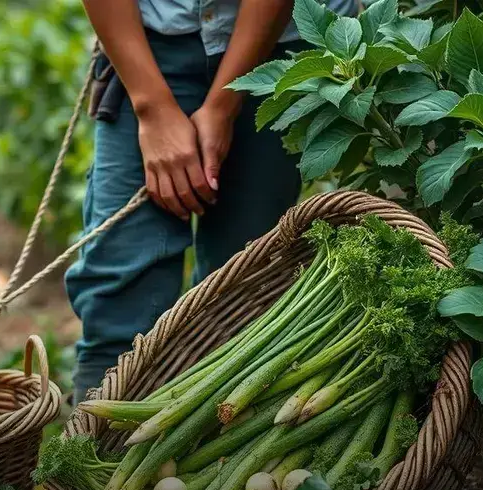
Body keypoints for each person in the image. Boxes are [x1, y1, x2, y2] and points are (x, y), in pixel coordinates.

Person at [66, 0, 357, 401]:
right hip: (149, 44)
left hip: (277, 45)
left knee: (244, 278)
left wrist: (223, 104)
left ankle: (213, 435)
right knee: (121, 274)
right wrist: (152, 109)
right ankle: (94, 431)